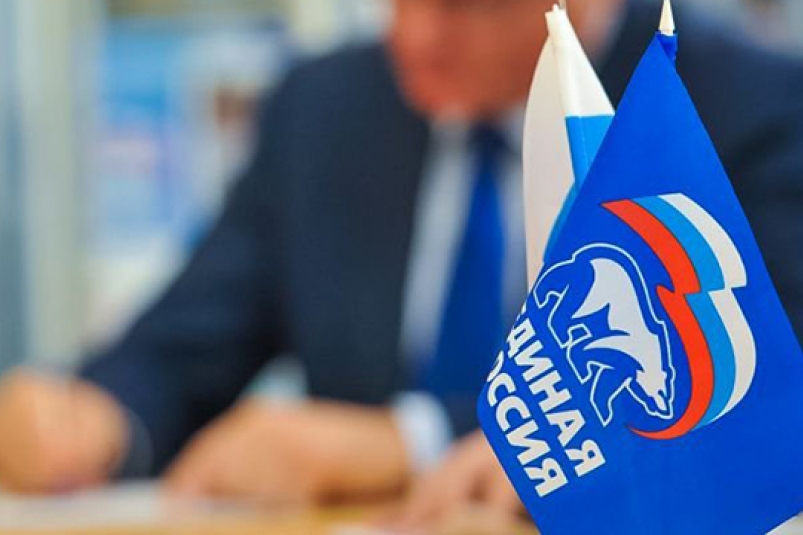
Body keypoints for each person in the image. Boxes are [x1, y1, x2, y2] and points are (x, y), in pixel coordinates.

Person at [0, 0, 802, 527]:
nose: (415, 35)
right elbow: (192, 336)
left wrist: (411, 439)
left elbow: (766, 380)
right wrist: (98, 416)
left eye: (461, 5)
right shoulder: (324, 108)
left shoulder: (735, 108)